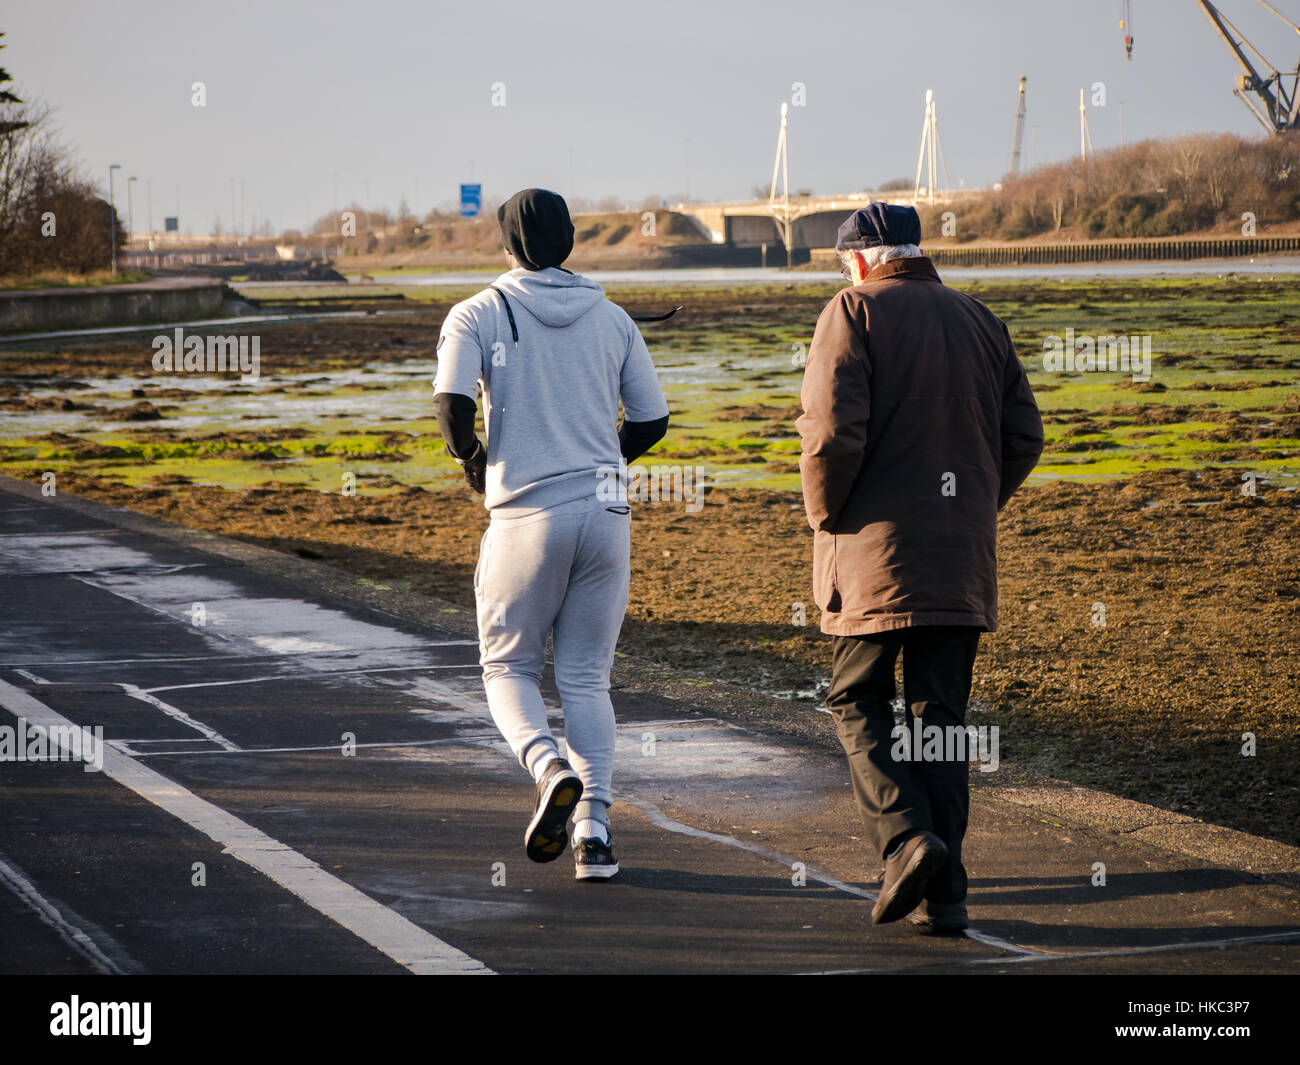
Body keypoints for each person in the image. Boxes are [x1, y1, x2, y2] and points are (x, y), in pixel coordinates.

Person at [796, 202, 1043, 931]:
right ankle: (949, 894)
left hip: (873, 554)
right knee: (939, 719)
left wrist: (825, 516)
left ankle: (904, 838)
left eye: (848, 261)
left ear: (862, 258)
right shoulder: (979, 318)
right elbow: (1024, 434)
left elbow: (831, 434)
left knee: (855, 698)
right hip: (958, 556)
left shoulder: (851, 310)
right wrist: (971, 503)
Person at [433, 188, 669, 880]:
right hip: (605, 515)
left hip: (524, 516)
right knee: (587, 677)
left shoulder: (477, 312)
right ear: (570, 240)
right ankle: (593, 835)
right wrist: (599, 462)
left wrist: (475, 462)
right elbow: (652, 422)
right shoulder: (613, 317)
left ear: (506, 245)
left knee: (508, 666)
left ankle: (547, 767)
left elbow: (450, 409)